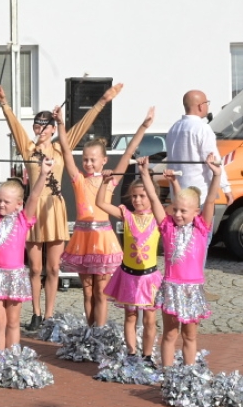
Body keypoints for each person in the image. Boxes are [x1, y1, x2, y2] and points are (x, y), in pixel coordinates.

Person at [0, 82, 122, 330]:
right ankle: (36, 313)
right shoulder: (28, 148)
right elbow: (14, 125)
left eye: (45, 126)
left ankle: (50, 315)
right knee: (34, 268)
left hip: (54, 208)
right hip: (33, 209)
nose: (40, 130)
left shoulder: (60, 148)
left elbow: (82, 125)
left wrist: (102, 101)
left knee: (53, 268)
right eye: (37, 125)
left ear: (53, 128)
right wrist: (4, 103)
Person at [139, 155, 221, 368]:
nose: (177, 214)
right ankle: (167, 374)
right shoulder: (167, 228)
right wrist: (144, 173)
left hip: (192, 290)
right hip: (171, 287)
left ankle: (188, 373)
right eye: (175, 209)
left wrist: (216, 175)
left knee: (190, 336)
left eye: (183, 211)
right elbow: (154, 199)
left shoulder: (202, 228)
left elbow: (210, 200)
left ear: (196, 213)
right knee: (169, 334)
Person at [0, 154, 52, 353]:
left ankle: (13, 358)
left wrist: (43, 174)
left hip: (15, 275)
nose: (0, 204)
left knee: (13, 322)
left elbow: (34, 197)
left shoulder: (23, 219)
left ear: (18, 204)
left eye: (6, 202)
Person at [56, 109, 124, 327]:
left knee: (101, 291)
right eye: (85, 159)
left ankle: (100, 331)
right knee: (87, 292)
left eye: (93, 160)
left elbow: (126, 159)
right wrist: (60, 125)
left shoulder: (108, 182)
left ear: (104, 160)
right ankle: (90, 329)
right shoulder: (79, 180)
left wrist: (142, 127)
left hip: (102, 240)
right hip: (83, 240)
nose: (88, 163)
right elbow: (66, 152)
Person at [96, 165, 170, 361]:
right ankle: (131, 353)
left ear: (152, 196)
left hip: (149, 278)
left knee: (150, 319)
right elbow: (100, 203)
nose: (137, 200)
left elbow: (175, 202)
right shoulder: (126, 215)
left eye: (142, 196)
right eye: (134, 196)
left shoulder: (158, 218)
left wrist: (173, 181)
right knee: (130, 316)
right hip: (128, 277)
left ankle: (147, 355)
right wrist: (104, 182)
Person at [166, 90, 233, 205]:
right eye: (207, 103)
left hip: (176, 191)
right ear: (201, 106)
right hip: (199, 193)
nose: (208, 106)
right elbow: (213, 160)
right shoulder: (202, 128)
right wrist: (226, 188)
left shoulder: (174, 128)